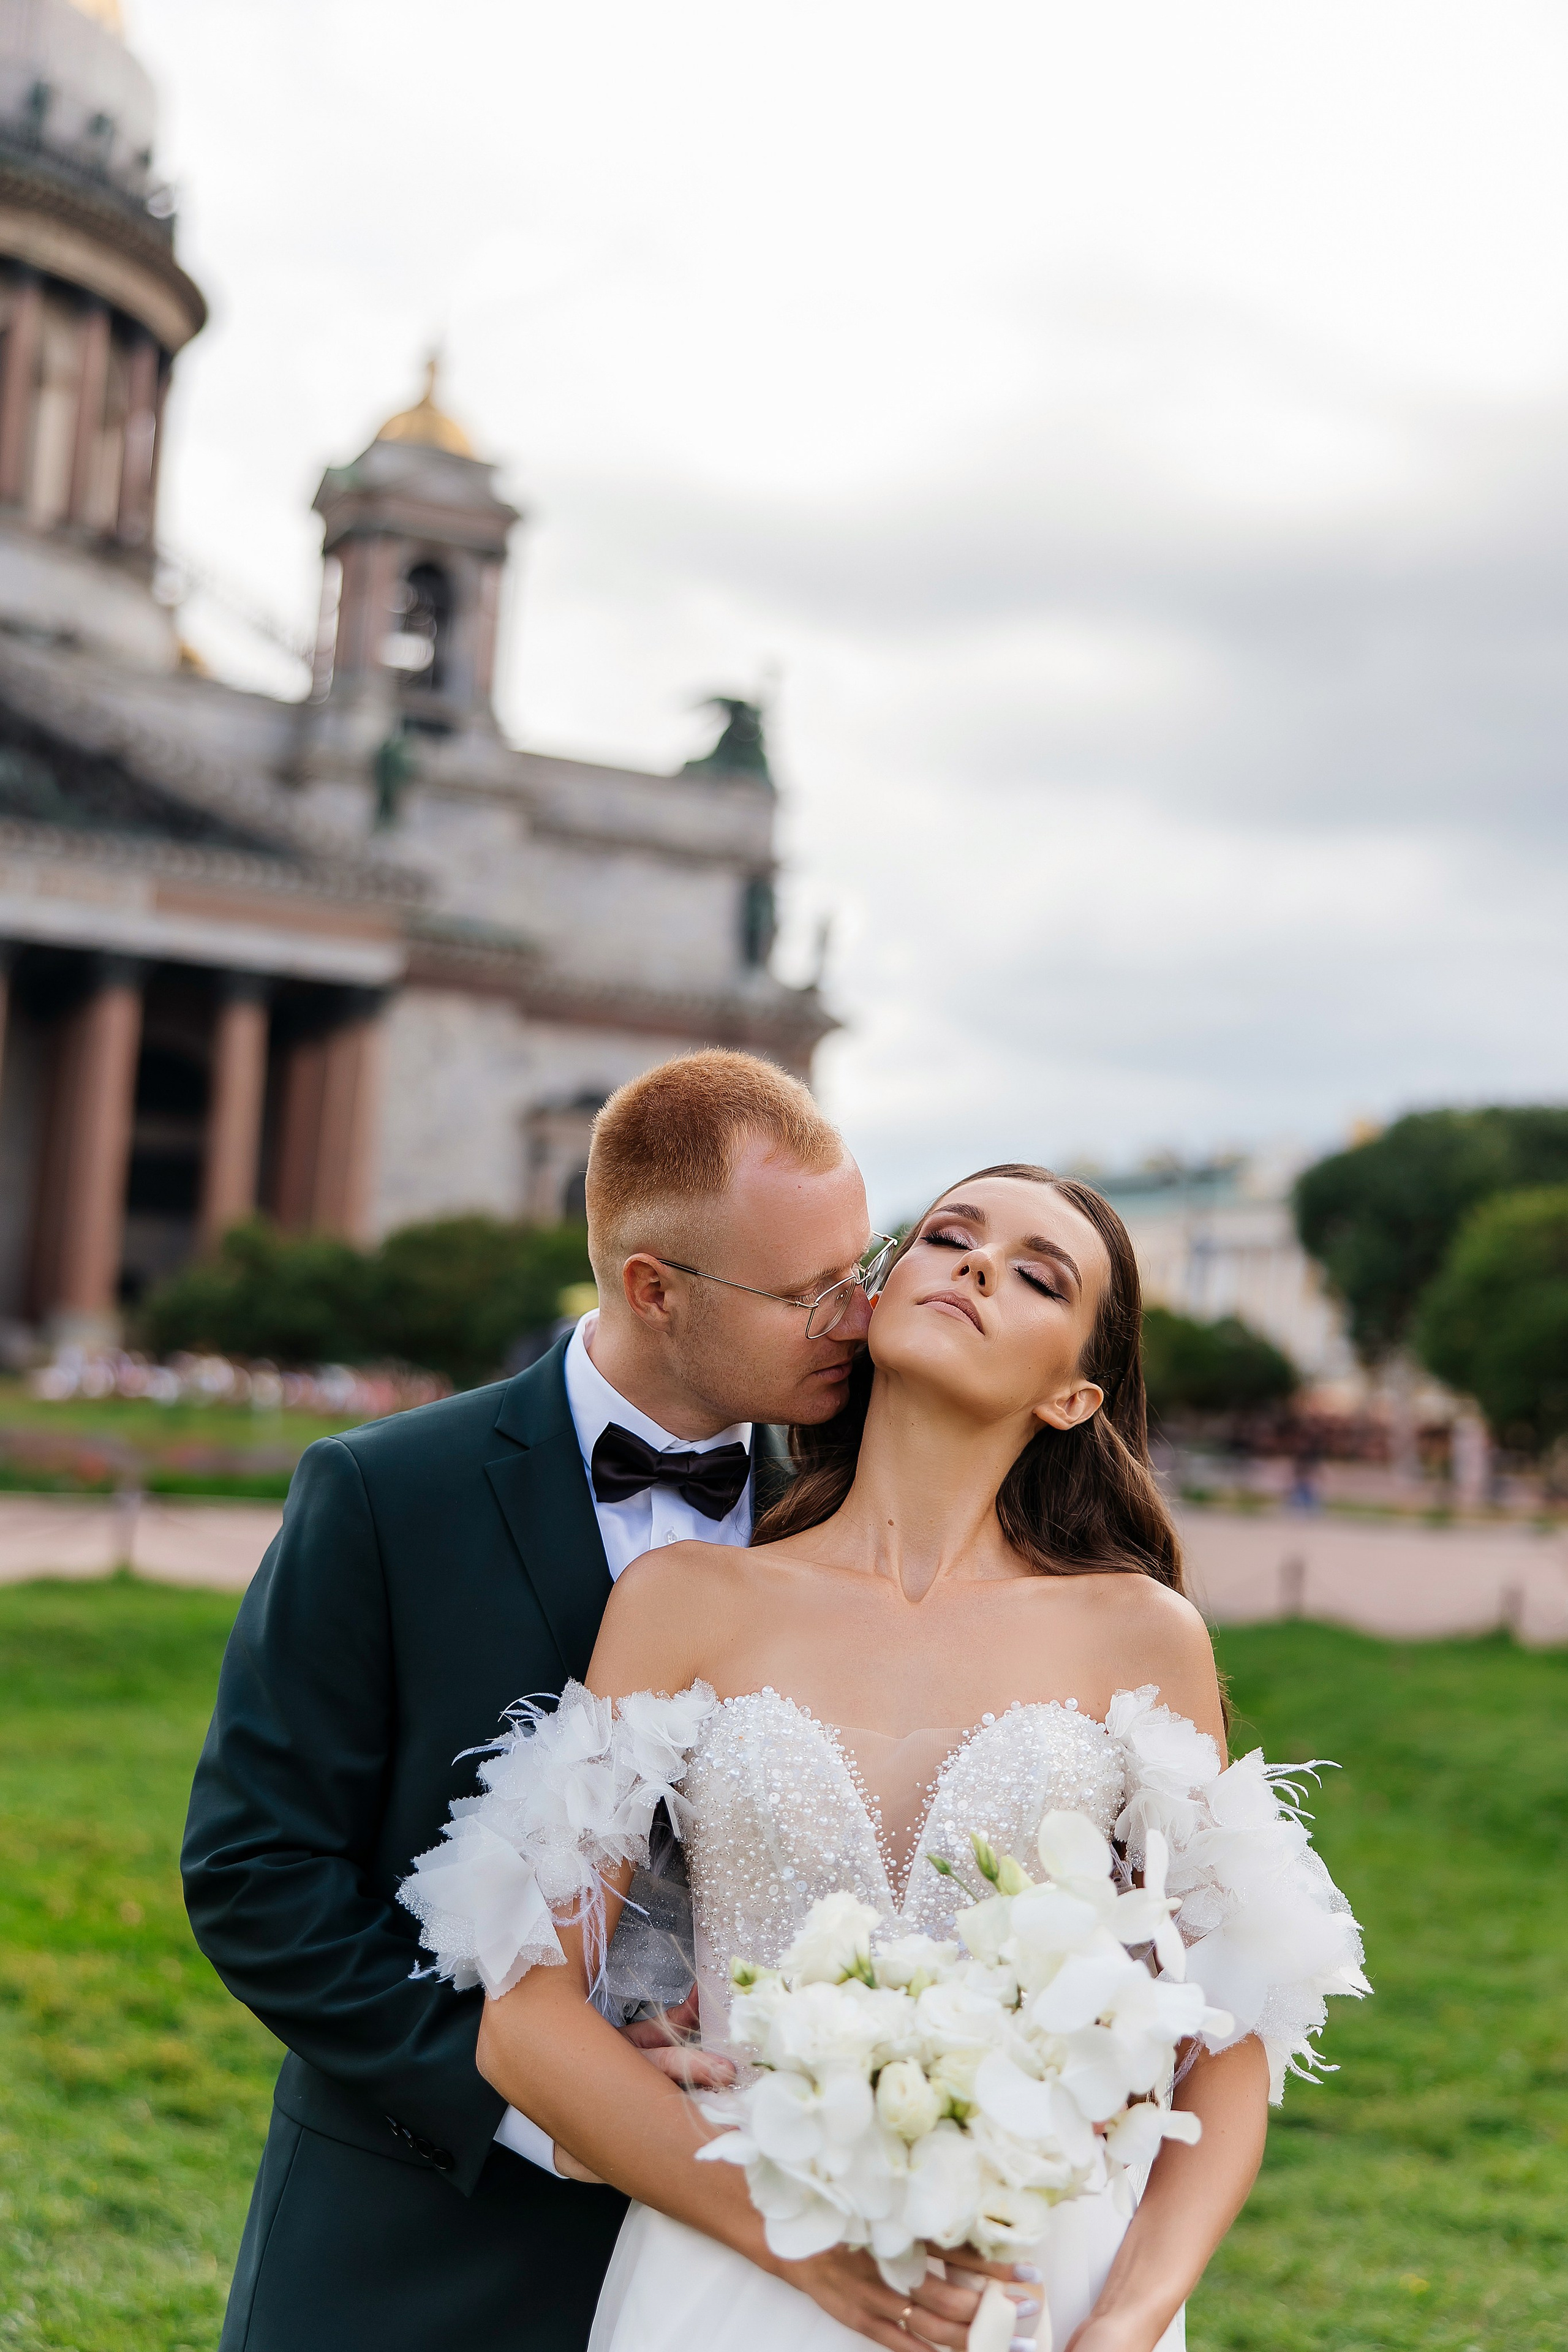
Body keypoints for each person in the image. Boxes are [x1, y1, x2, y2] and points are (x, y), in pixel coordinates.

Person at [404, 1164, 1368, 2352]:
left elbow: (1221, 2043)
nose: (972, 1266)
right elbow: (525, 2014)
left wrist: (1122, 2323)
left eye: (1033, 1274)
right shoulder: (689, 1601)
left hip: (1034, 2284)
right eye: (948, 1236)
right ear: (878, 1294)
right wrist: (787, 2244)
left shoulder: (1140, 1634)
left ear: (1074, 1395)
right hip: (733, 2271)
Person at [182, 1049, 894, 2352]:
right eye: (805, 1293)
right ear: (650, 1288)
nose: (854, 1320)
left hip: (760, 2258)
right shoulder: (385, 1493)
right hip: (420, 2232)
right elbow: (257, 1872)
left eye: (862, 1269)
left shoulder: (855, 1509)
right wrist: (535, 2106)